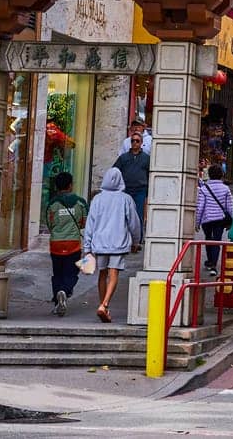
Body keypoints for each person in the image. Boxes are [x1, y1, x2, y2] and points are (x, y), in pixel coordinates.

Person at [81, 167, 141, 323]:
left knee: (102, 274)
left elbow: (90, 224)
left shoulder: (97, 199)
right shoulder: (126, 199)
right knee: (113, 275)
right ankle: (104, 304)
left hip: (100, 243)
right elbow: (134, 223)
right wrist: (136, 241)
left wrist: (87, 247)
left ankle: (103, 306)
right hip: (118, 243)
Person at [43, 172, 88, 314]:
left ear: (57, 187)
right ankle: (65, 290)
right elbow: (84, 222)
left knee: (57, 273)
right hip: (73, 243)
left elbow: (49, 223)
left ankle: (57, 301)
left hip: (56, 243)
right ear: (70, 185)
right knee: (72, 272)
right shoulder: (80, 202)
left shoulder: (52, 204)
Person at [111, 128, 151, 246]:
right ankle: (123, 239)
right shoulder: (123, 158)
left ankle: (137, 241)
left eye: (137, 141)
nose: (134, 143)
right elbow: (114, 171)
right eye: (133, 140)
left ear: (141, 143)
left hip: (140, 190)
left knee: (138, 215)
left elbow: (150, 174)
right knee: (123, 215)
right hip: (126, 189)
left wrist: (148, 190)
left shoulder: (146, 158)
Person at [195, 165, 233, 274]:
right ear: (221, 175)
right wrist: (231, 220)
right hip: (220, 219)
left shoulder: (204, 189)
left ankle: (210, 261)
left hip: (207, 219)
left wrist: (197, 222)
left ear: (210, 175)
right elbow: (229, 206)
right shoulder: (226, 189)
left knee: (208, 239)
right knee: (217, 241)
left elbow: (200, 206)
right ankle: (214, 266)